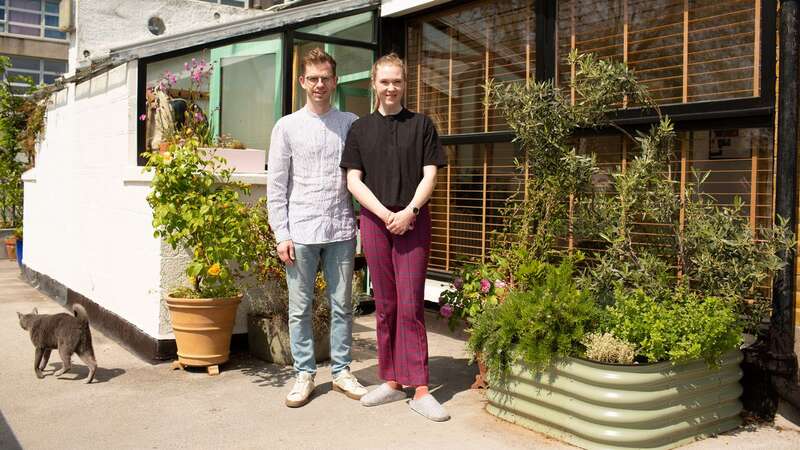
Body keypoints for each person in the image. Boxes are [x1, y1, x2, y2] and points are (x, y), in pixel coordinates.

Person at [341, 53, 449, 422]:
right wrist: (386, 214)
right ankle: (391, 380)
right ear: (374, 83)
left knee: (410, 304)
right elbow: (353, 179)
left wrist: (410, 212)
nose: (391, 88)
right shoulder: (360, 130)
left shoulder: (422, 125)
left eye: (397, 82)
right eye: (384, 81)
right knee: (385, 304)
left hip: (413, 221)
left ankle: (420, 388)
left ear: (405, 84)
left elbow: (430, 175)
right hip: (376, 223)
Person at [267, 48, 367, 408]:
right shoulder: (287, 126)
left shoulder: (351, 123)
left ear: (335, 81)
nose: (320, 84)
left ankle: (341, 371)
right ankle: (304, 374)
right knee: (300, 308)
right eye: (313, 78)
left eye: (326, 78)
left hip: (341, 228)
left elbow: (362, 175)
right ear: (302, 82)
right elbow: (276, 185)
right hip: (301, 232)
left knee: (342, 305)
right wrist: (282, 233)